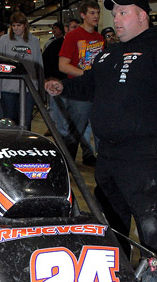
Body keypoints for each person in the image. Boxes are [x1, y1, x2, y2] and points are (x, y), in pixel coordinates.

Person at [45, 0, 157, 262]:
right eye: (114, 14)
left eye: (123, 13)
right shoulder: (108, 54)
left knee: (147, 213)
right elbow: (89, 85)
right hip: (107, 152)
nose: (116, 19)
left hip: (141, 150)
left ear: (142, 16)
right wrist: (63, 87)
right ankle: (118, 268)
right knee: (110, 215)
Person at [54, 0, 104, 166]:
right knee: (75, 130)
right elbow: (63, 65)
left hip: (96, 91)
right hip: (78, 91)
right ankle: (66, 165)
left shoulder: (99, 38)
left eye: (97, 13)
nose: (96, 16)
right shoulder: (73, 36)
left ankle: (100, 162)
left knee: (99, 129)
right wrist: (86, 74)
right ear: (83, 15)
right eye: (92, 13)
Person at [0, 11, 43, 129]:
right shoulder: (4, 40)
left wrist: (40, 91)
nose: (16, 28)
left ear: (25, 25)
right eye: (14, 25)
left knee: (26, 123)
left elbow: (39, 66)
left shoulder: (34, 41)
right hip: (8, 89)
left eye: (19, 25)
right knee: (9, 124)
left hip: (28, 89)